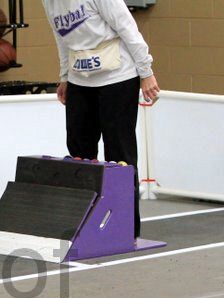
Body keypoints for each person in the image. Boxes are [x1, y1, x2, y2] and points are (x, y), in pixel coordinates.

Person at [42, 0, 160, 239]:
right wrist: (64, 76)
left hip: (118, 77)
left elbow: (127, 26)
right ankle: (86, 224)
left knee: (119, 155)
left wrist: (146, 72)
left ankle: (126, 229)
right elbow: (61, 38)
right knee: (79, 150)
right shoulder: (49, 2)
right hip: (80, 79)